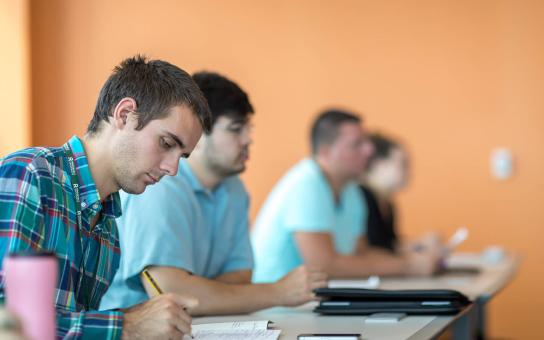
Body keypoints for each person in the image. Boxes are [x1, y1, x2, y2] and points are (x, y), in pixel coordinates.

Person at [0, 55, 211, 339]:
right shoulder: (31, 174)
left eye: (181, 157)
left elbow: (70, 325)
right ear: (124, 114)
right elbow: (7, 324)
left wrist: (139, 320)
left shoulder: (108, 224)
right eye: (166, 143)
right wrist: (126, 325)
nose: (172, 169)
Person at [100, 71, 327, 315]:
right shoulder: (159, 184)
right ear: (198, 134)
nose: (248, 139)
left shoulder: (234, 189)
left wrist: (200, 291)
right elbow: (175, 295)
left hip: (203, 326)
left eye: (248, 129)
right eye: (236, 129)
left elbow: (241, 276)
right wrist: (279, 292)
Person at [252, 109, 441, 283]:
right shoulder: (306, 184)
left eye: (367, 142)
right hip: (276, 311)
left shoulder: (351, 190)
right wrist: (407, 266)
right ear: (326, 152)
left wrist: (414, 261)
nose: (369, 150)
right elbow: (323, 265)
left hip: (312, 301)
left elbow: (361, 253)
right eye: (357, 144)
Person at [360, 133, 442, 254]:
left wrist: (418, 244)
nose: (409, 172)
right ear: (379, 165)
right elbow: (372, 249)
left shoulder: (387, 203)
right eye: (403, 164)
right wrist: (419, 244)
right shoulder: (361, 198)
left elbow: (391, 244)